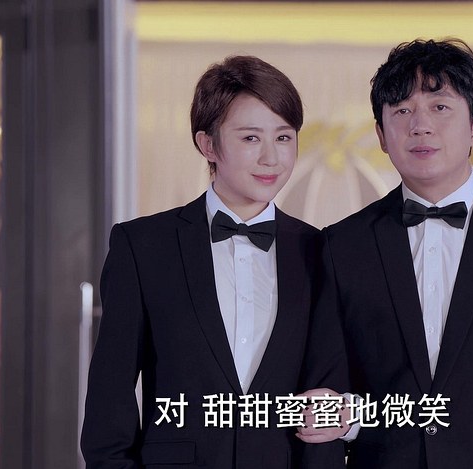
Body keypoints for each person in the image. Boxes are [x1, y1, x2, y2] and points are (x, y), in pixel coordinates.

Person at [298, 38, 473, 468]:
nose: (420, 126)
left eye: (440, 107)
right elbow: (327, 399)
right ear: (381, 136)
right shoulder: (342, 245)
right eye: (401, 111)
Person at [82, 55, 342, 468]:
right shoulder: (144, 246)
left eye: (284, 137)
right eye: (251, 138)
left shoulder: (319, 251)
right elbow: (109, 396)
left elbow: (326, 391)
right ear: (208, 145)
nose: (272, 158)